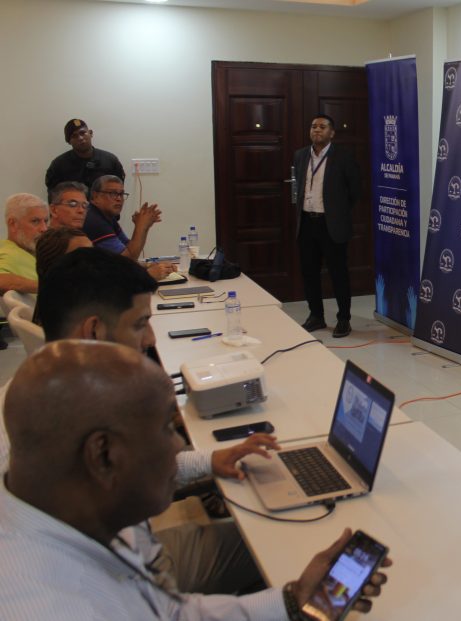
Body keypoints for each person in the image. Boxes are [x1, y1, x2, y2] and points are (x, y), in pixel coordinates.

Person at [0, 340, 390, 618]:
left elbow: (169, 611)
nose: (178, 447)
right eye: (166, 430)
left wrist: (296, 598)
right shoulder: (52, 605)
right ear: (103, 455)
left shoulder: (69, 515)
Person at [0, 247, 265, 594]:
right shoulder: (57, 426)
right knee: (272, 546)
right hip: (134, 578)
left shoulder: (43, 392)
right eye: (140, 324)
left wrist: (211, 460)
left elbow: (132, 464)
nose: (151, 339)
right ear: (94, 330)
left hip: (136, 556)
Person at [293, 113, 361, 339]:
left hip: (331, 224)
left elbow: (355, 190)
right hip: (306, 222)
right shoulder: (301, 155)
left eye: (322, 127)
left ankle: (344, 319)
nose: (317, 130)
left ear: (332, 133)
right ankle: (316, 315)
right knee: (309, 272)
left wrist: (338, 211)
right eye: (313, 126)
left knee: (338, 273)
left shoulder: (343, 156)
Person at [83, 175, 162, 260]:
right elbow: (125, 260)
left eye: (121, 194)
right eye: (113, 193)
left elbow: (128, 246)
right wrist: (140, 227)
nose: (119, 199)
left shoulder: (106, 215)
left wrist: (144, 227)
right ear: (95, 196)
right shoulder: (94, 220)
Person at [44, 118, 125, 193]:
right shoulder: (58, 165)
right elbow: (54, 196)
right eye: (74, 136)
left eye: (83, 133)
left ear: (90, 133)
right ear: (69, 141)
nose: (80, 138)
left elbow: (118, 191)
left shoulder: (110, 161)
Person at [0, 193, 48, 294]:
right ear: (13, 224)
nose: (44, 228)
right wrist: (49, 288)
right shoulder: (8, 254)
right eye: (35, 221)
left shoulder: (33, 251)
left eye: (46, 221)